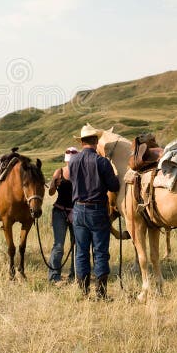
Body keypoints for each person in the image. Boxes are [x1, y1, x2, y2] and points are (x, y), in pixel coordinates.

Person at [62, 124, 119, 299]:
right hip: (97, 210)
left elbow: (69, 178)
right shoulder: (102, 162)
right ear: (95, 141)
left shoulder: (73, 161)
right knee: (100, 252)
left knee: (81, 251)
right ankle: (101, 293)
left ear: (82, 143)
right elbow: (114, 186)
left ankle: (83, 292)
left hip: (78, 209)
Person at [47, 147, 77, 284]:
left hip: (76, 211)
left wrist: (73, 210)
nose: (70, 163)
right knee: (58, 245)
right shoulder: (58, 172)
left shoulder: (81, 173)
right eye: (68, 161)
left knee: (76, 245)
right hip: (59, 211)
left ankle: (75, 275)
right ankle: (54, 276)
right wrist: (54, 183)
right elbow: (51, 193)